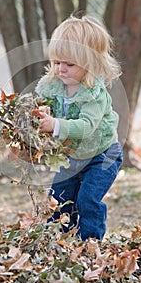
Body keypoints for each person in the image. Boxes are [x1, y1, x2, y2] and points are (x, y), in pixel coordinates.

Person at [35, 12, 123, 241]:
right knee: (59, 199)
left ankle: (90, 244)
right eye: (56, 62)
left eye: (69, 64)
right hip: (73, 154)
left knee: (87, 200)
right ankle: (57, 242)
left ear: (89, 64)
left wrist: (55, 124)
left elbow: (86, 127)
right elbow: (48, 109)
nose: (61, 69)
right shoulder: (55, 86)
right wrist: (43, 113)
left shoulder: (94, 94)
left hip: (103, 155)